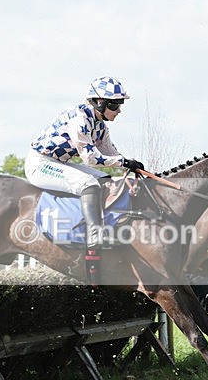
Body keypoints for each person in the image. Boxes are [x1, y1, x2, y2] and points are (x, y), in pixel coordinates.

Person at [24, 76, 145, 285]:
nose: (119, 111)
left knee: (107, 180)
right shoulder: (80, 119)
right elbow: (90, 158)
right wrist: (124, 162)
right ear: (100, 102)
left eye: (120, 105)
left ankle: (106, 225)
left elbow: (111, 155)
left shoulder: (101, 127)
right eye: (115, 105)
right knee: (88, 183)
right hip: (39, 164)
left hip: (59, 162)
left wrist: (130, 166)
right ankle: (95, 234)